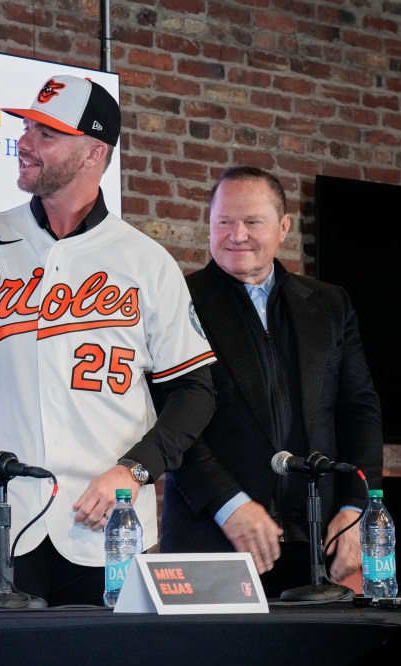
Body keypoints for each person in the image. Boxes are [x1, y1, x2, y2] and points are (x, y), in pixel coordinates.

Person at [0, 75, 217, 606]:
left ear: (94, 152)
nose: (25, 142)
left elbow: (194, 392)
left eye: (47, 132)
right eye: (27, 127)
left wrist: (135, 468)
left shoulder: (146, 263)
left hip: (107, 526)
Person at [159, 166, 384, 598]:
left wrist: (358, 506)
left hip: (320, 547)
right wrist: (229, 504)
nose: (236, 234)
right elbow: (168, 420)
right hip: (212, 536)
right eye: (223, 221)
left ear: (283, 227)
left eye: (252, 222)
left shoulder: (330, 304)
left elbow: (360, 409)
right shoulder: (175, 301)